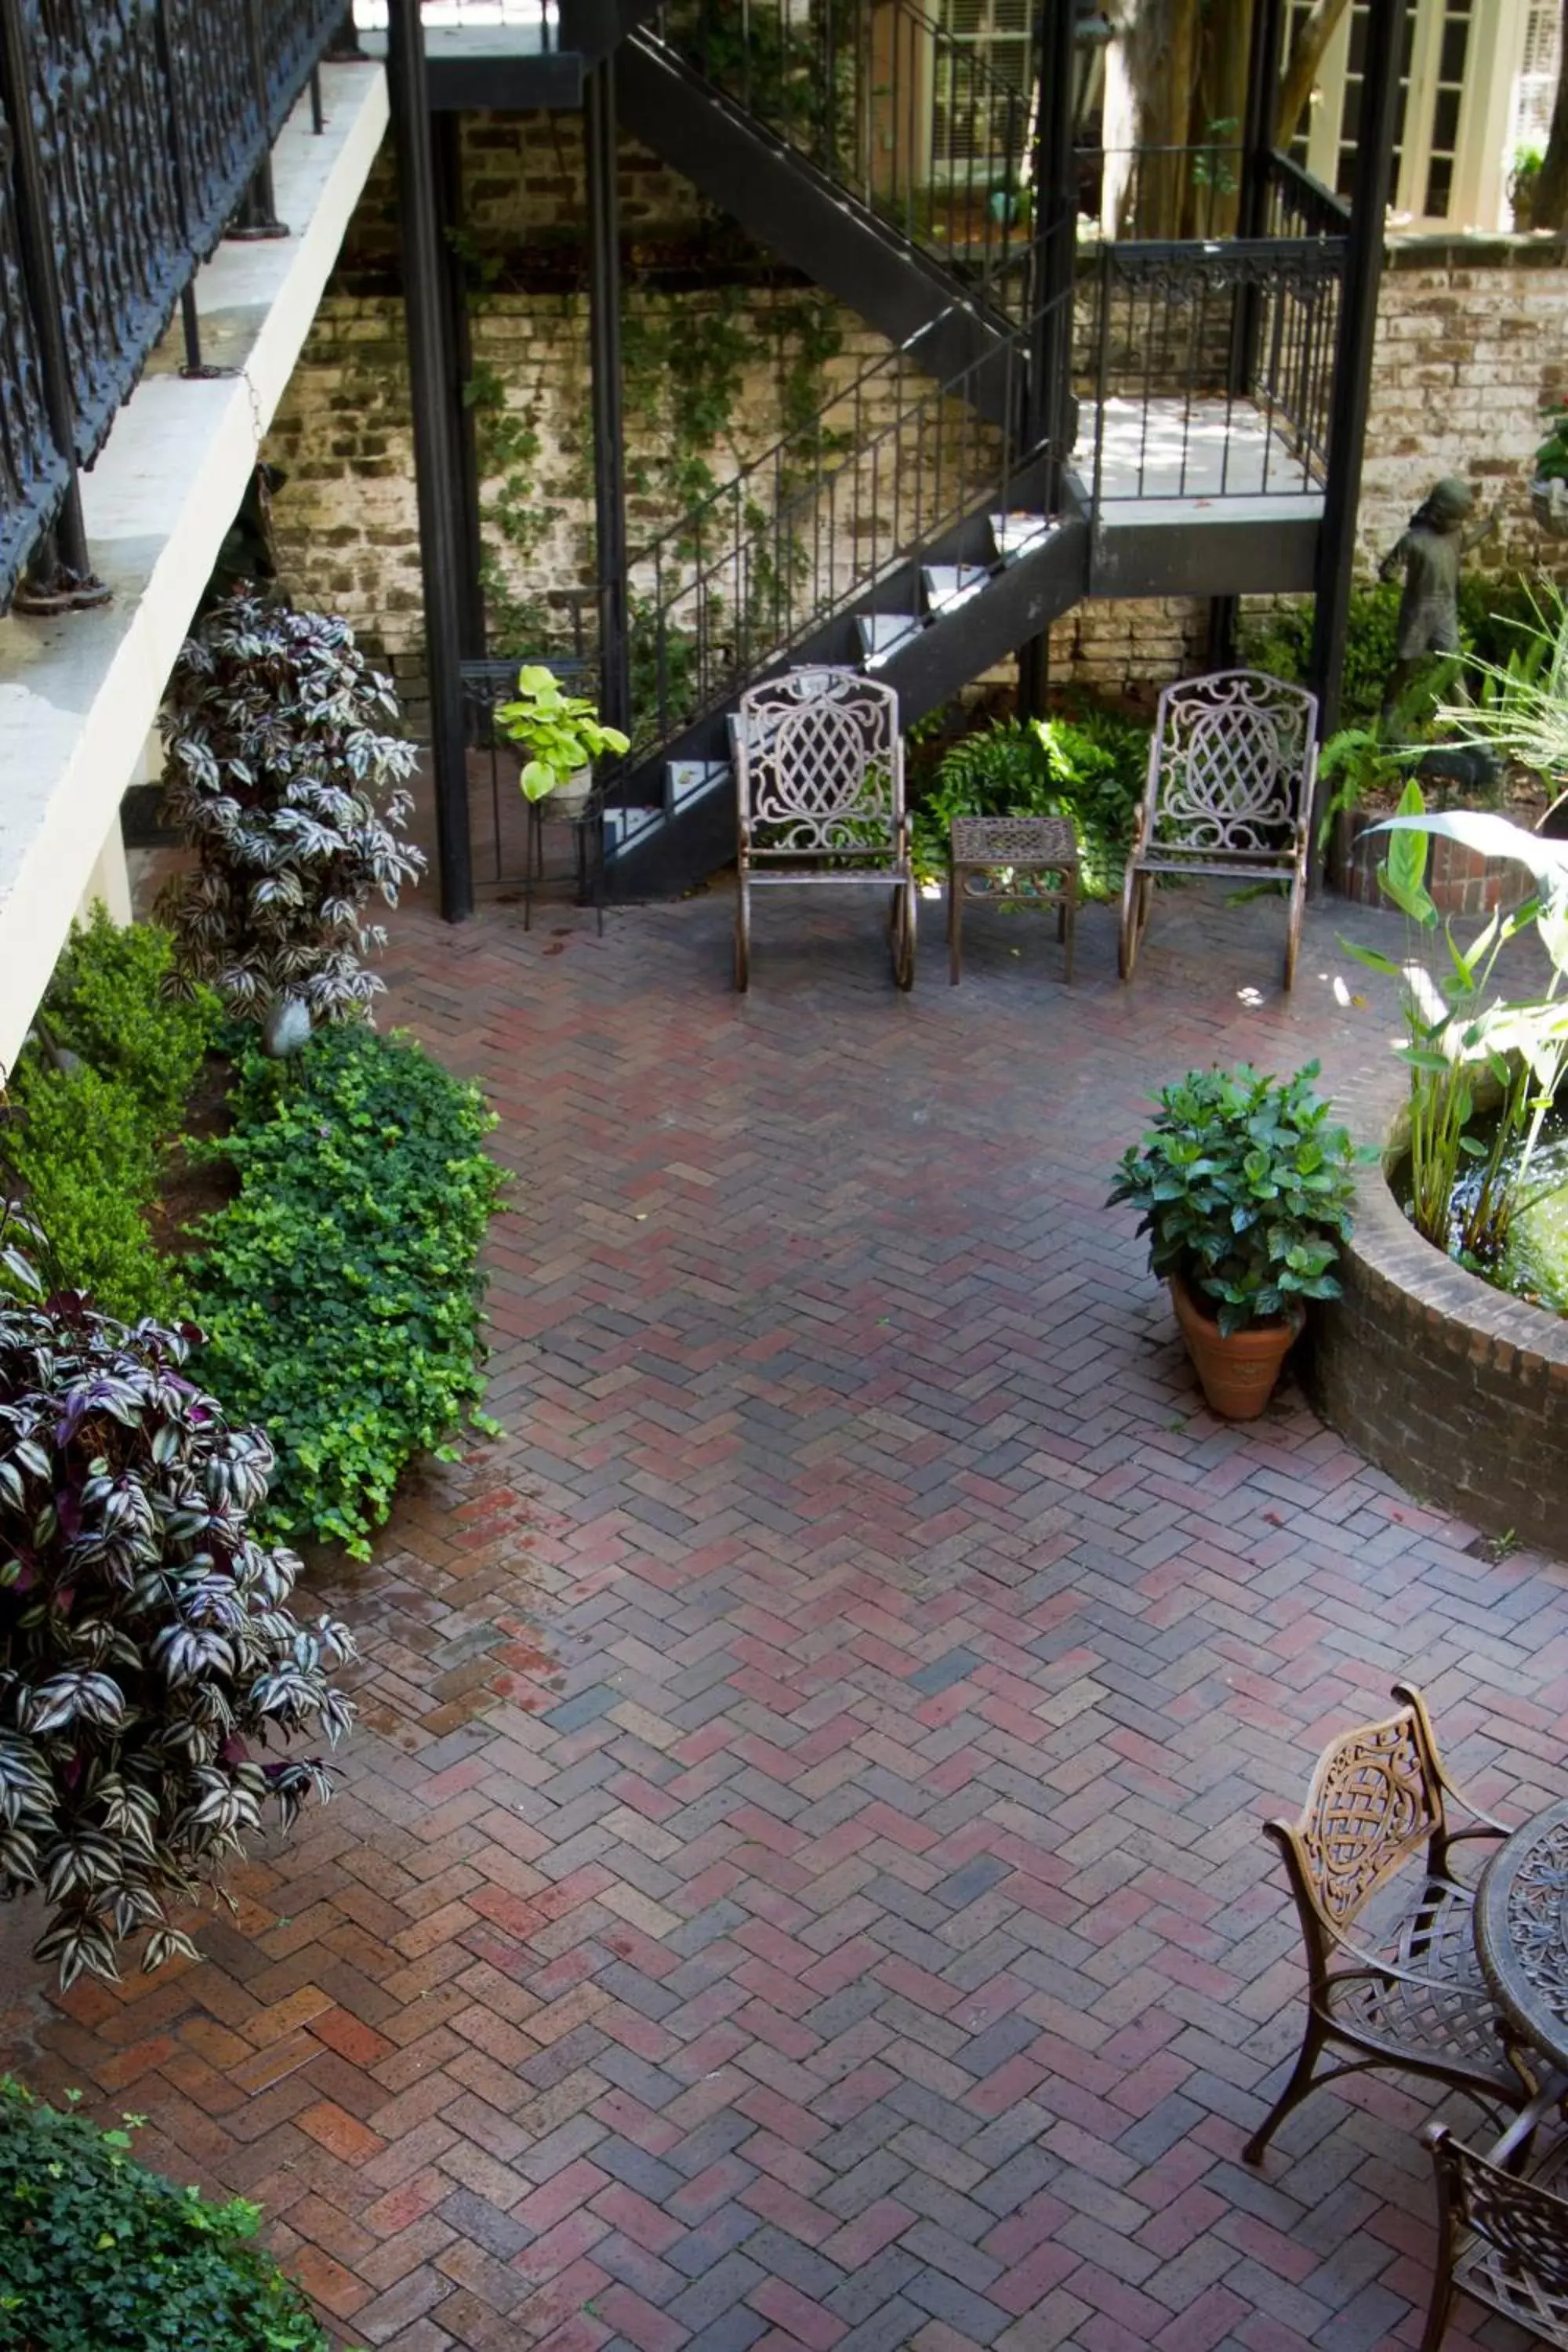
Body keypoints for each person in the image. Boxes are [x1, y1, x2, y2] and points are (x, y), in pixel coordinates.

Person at [1377, 477, 1494, 718]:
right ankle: (1388, 709)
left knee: (1453, 667)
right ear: (1440, 512)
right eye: (1454, 519)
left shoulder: (1454, 535)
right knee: (1407, 666)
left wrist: (1490, 524)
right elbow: (1388, 572)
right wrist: (1391, 572)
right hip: (1418, 613)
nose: (1458, 525)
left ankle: (1465, 725)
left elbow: (1465, 543)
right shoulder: (1414, 540)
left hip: (1445, 611)